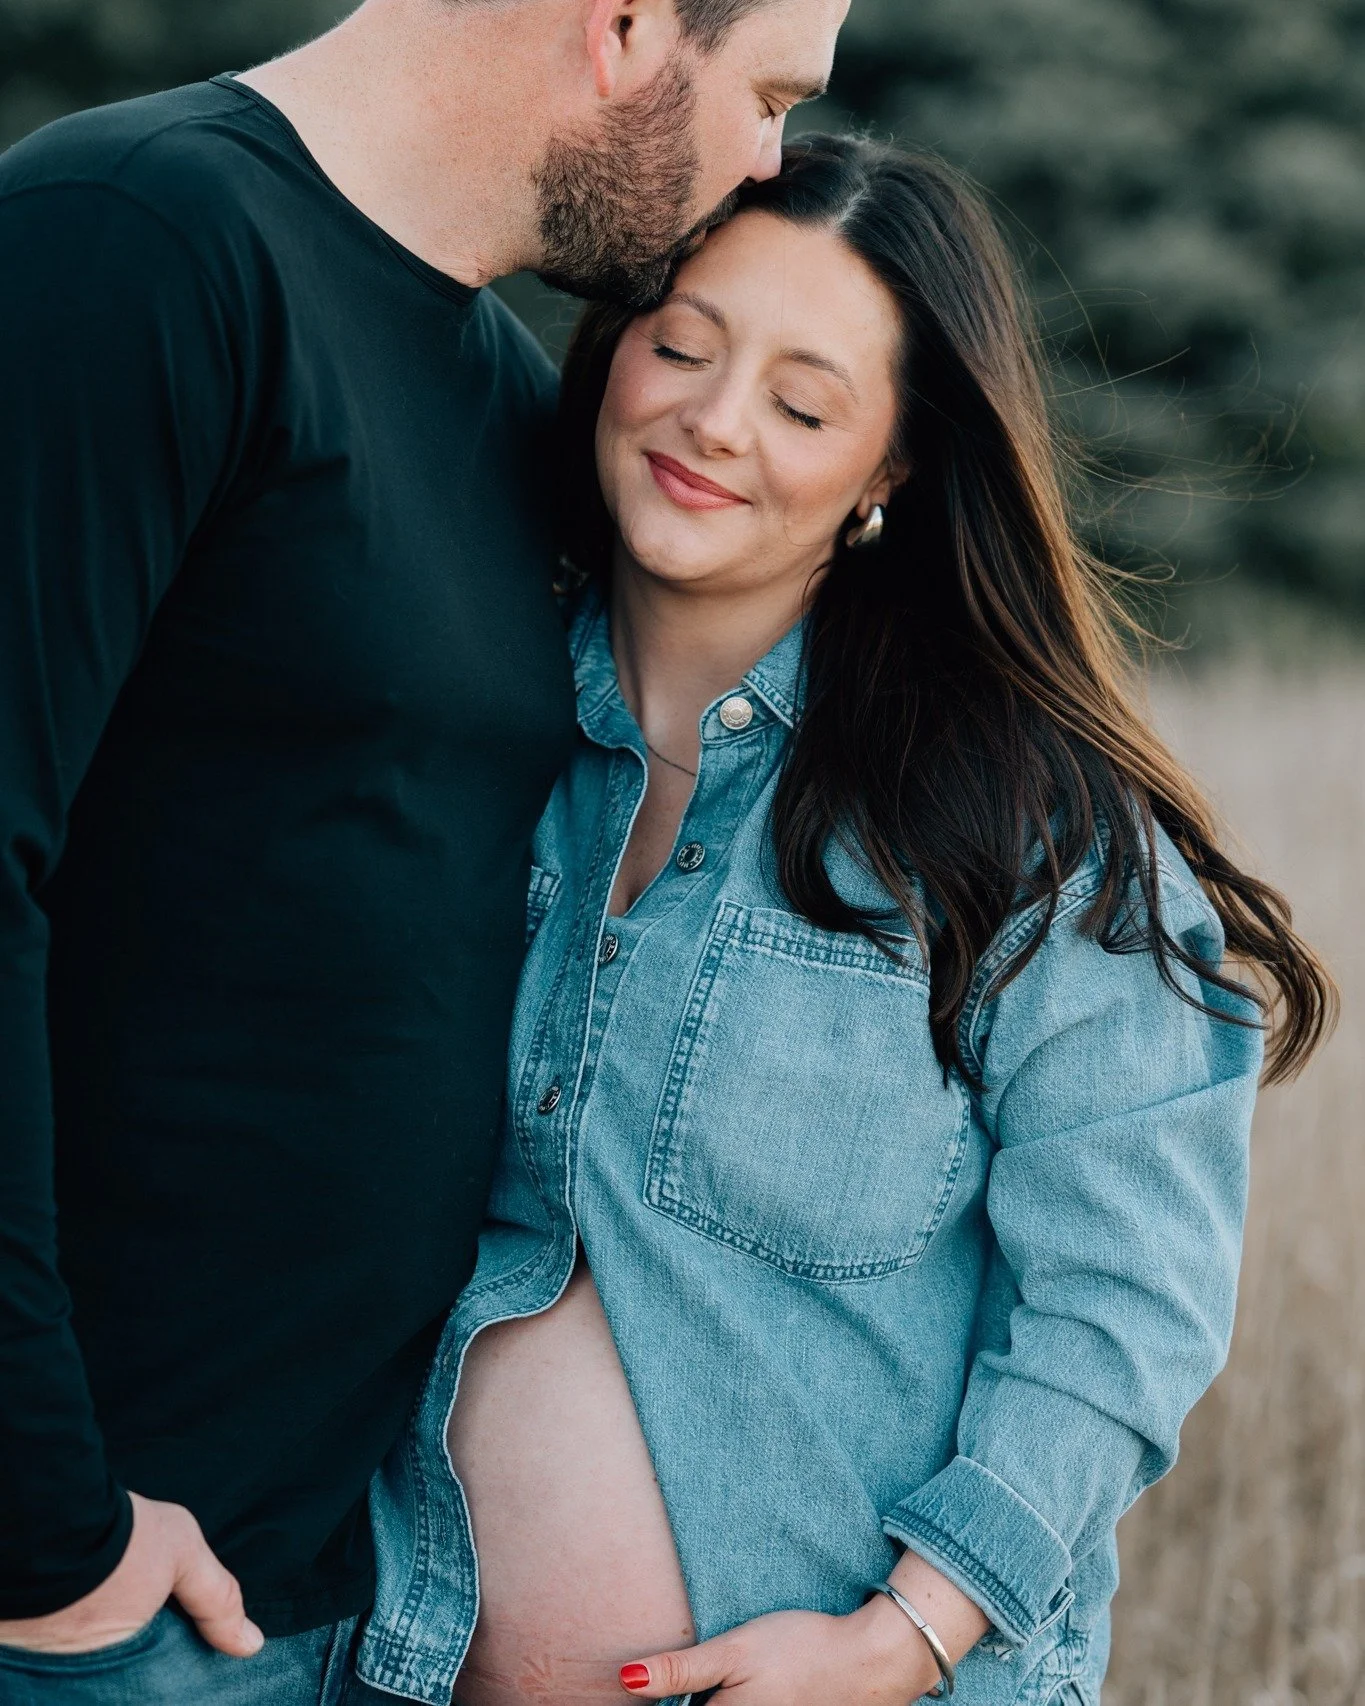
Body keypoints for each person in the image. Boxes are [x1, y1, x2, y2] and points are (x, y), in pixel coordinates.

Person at [411, 136, 1337, 1706]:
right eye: (684, 344)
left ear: (888, 474)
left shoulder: (1023, 829)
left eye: (802, 401)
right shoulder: (462, 737)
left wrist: (904, 1634)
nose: (712, 421)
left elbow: (1123, 1305)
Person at [0, 0, 846, 1699]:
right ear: (620, 27)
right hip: (104, 1593)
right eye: (767, 93)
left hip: (334, 1584)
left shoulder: (502, 389)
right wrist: (42, 1533)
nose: (770, 155)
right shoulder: (135, 241)